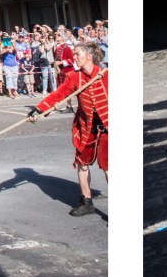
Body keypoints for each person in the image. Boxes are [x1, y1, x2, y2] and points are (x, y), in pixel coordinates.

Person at [28, 42, 108, 217]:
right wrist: (40, 109)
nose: (74, 57)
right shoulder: (74, 77)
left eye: (77, 54)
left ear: (89, 56)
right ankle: (86, 201)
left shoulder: (106, 74)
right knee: (82, 164)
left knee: (109, 166)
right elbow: (60, 94)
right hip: (86, 127)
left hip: (108, 128)